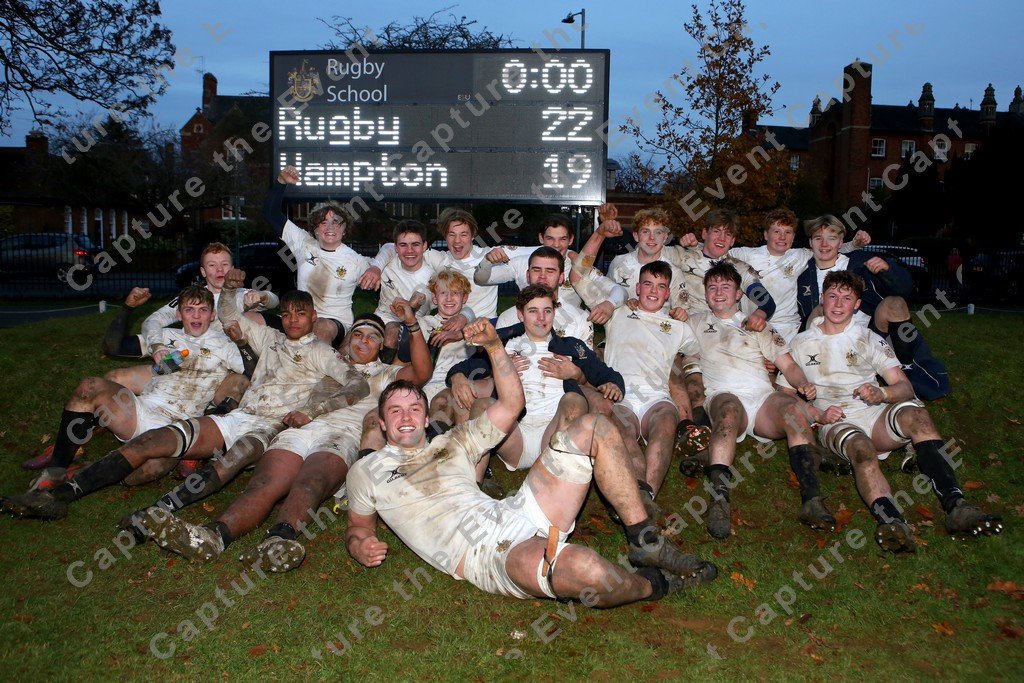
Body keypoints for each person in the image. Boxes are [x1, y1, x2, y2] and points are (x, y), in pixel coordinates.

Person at [346, 320, 718, 606]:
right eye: (394, 411)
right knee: (586, 570)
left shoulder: (453, 442)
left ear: (427, 419)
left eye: (414, 408)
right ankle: (652, 585)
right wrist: (360, 545)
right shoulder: (367, 471)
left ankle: (644, 539)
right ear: (381, 422)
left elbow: (510, 406)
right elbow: (358, 528)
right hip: (485, 553)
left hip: (516, 508)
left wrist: (494, 346)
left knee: (595, 426)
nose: (406, 417)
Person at [1, 271, 369, 521]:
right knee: (150, 442)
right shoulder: (267, 337)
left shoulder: (322, 352)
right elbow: (229, 315)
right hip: (233, 418)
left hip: (269, 426)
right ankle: (58, 498)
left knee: (223, 466)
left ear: (313, 316)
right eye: (286, 314)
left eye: (300, 314)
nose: (291, 320)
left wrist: (313, 410)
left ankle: (154, 515)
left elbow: (358, 384)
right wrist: (228, 289)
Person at [145, 306, 432, 569]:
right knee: (264, 484)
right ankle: (213, 536)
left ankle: (278, 539)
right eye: (357, 334)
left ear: (382, 344)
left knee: (311, 481)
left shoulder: (385, 374)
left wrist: (411, 324)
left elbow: (422, 371)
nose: (363, 341)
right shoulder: (325, 360)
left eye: (372, 337)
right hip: (301, 428)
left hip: (340, 436)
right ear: (348, 341)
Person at [781, 271, 1001, 552]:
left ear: (857, 305)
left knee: (917, 416)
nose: (838, 304)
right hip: (835, 419)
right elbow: (785, 398)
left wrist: (882, 393)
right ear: (822, 299)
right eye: (832, 296)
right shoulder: (800, 343)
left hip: (875, 414)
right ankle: (892, 521)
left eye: (847, 298)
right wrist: (815, 412)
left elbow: (904, 387)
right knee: (861, 448)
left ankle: (956, 505)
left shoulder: (868, 338)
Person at [21, 286, 245, 491]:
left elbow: (252, 371)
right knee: (90, 386)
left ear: (213, 315)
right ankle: (56, 469)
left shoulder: (225, 345)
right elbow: (113, 347)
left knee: (150, 471)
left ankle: (83, 471)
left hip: (176, 427)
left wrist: (244, 343)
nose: (196, 316)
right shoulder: (166, 336)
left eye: (203, 310)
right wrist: (128, 308)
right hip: (140, 412)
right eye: (189, 309)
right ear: (179, 315)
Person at [684, 263, 833, 539]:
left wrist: (801, 384)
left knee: (791, 411)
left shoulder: (759, 326)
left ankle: (812, 499)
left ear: (739, 293)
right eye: (712, 288)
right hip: (724, 394)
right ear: (705, 295)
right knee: (727, 412)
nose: (718, 293)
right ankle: (719, 500)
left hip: (763, 398)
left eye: (726, 287)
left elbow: (787, 365)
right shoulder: (694, 323)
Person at [446, 285, 623, 476]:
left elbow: (607, 374)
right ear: (520, 315)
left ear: (554, 313)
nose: (541, 318)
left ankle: (556, 473)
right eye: (533, 311)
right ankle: (474, 481)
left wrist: (612, 384)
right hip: (514, 433)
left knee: (574, 401)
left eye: (547, 311)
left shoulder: (572, 346)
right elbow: (463, 368)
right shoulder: (504, 344)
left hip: (554, 429)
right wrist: (457, 377)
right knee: (482, 405)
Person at [796, 215, 950, 400]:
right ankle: (815, 373)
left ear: (841, 242)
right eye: (818, 238)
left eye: (832, 238)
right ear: (810, 243)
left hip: (868, 335)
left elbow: (905, 288)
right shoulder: (801, 273)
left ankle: (906, 369)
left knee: (895, 303)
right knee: (821, 309)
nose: (824, 244)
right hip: (826, 339)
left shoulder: (860, 263)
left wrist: (888, 271)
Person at [602, 262, 708, 497]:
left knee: (666, 425)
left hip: (656, 398)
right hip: (621, 394)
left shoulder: (677, 326)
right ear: (637, 288)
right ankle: (639, 490)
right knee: (623, 431)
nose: (653, 291)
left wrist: (685, 317)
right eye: (648, 284)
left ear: (667, 293)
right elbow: (581, 276)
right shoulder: (617, 314)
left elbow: (702, 352)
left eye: (661, 286)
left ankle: (647, 495)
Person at [264, 165, 382, 346]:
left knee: (320, 327)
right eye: (323, 222)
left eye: (336, 222)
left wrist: (376, 268)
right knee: (251, 320)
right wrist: (281, 182)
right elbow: (271, 214)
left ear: (344, 230)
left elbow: (390, 249)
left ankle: (314, 371)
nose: (330, 227)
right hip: (299, 319)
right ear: (315, 229)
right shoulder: (304, 242)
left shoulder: (356, 260)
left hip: (333, 323)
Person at [723, 208, 868, 344]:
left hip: (788, 329)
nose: (782, 237)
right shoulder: (744, 254)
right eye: (777, 231)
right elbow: (714, 253)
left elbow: (827, 247)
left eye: (788, 232)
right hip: (753, 323)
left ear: (793, 236)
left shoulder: (799, 255)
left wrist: (854, 245)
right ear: (766, 234)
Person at [476, 213, 625, 321]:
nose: (556, 245)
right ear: (541, 238)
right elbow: (481, 279)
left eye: (563, 239)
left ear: (571, 239)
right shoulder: (522, 262)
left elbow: (619, 290)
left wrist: (610, 304)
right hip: (527, 329)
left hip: (568, 332)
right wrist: (487, 261)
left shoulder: (579, 267)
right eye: (550, 238)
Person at [364, 208, 501, 319]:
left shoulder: (490, 255)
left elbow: (522, 257)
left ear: (473, 235)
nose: (457, 241)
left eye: (463, 234)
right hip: (451, 324)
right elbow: (392, 247)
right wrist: (376, 268)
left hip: (484, 323)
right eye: (451, 234)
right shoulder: (440, 259)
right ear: (445, 236)